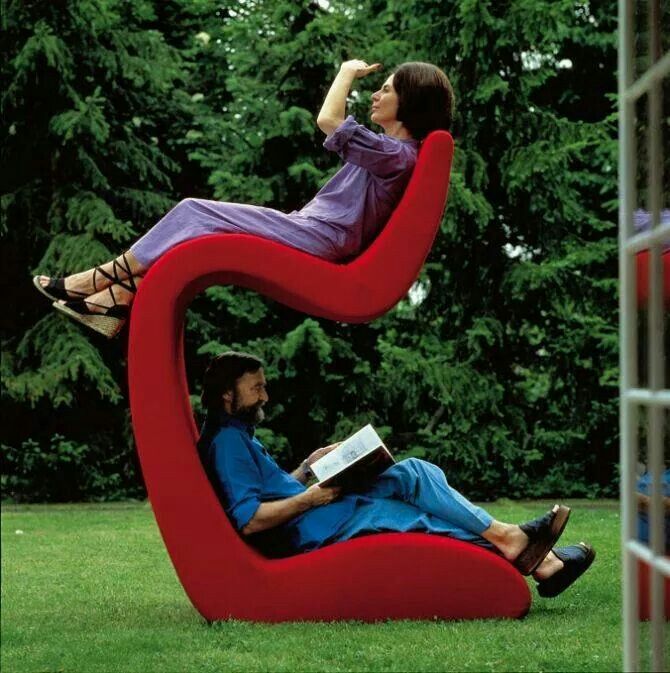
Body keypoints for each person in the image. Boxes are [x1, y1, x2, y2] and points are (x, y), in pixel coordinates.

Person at [32, 60, 455, 338]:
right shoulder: (390, 151)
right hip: (312, 230)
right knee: (197, 228)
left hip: (320, 236)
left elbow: (328, 120)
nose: (375, 96)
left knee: (194, 212)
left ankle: (95, 279)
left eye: (385, 89)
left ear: (409, 101)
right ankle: (115, 300)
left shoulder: (396, 154)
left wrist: (346, 71)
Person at [197, 351, 596, 599]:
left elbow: (264, 490)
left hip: (321, 510)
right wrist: (311, 497)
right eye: (256, 389)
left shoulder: (235, 434)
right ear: (227, 396)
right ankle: (542, 561)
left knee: (414, 473)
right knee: (422, 520)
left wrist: (305, 468)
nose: (265, 396)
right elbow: (249, 521)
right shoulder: (228, 443)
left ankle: (519, 544)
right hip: (315, 526)